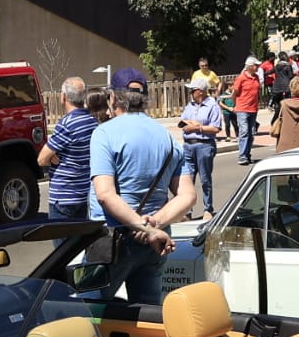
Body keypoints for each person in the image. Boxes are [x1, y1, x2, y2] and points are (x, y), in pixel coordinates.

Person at [88, 76, 191, 304]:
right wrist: (154, 226)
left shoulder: (104, 133)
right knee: (147, 314)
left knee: (91, 312)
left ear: (113, 98)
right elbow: (187, 195)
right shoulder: (169, 138)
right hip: (156, 239)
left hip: (113, 238)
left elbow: (105, 194)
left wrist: (144, 227)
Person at [39, 77, 97, 220]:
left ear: (63, 96)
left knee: (63, 241)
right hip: (84, 192)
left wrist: (52, 155)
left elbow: (41, 159)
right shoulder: (92, 120)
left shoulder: (66, 124)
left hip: (64, 195)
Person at [177, 76, 222, 217]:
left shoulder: (212, 105)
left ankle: (208, 208)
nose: (190, 92)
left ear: (201, 91)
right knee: (187, 179)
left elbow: (215, 128)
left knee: (205, 179)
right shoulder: (189, 105)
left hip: (204, 145)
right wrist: (191, 123)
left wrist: (198, 128)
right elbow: (182, 121)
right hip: (188, 146)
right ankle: (187, 211)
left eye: (193, 90)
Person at [231, 56, 263, 165]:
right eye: (255, 65)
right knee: (244, 131)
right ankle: (242, 156)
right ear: (249, 66)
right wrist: (235, 105)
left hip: (253, 108)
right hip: (242, 108)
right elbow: (234, 94)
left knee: (251, 133)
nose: (257, 67)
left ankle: (248, 154)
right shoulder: (241, 78)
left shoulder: (256, 77)